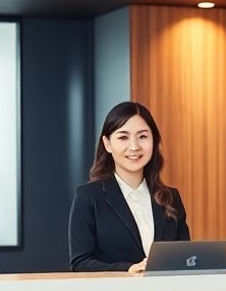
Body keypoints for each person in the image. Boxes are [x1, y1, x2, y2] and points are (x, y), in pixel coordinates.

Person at [69, 101, 190, 273]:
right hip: (115, 290)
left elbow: (185, 258)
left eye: (143, 137)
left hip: (164, 290)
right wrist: (128, 269)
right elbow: (80, 263)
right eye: (123, 137)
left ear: (154, 141)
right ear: (107, 144)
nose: (134, 147)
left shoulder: (170, 197)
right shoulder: (88, 196)